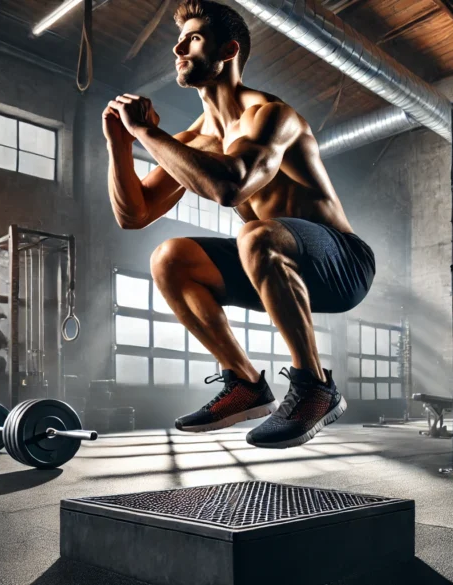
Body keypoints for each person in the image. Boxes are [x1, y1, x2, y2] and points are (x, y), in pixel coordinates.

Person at [102, 0, 375, 448]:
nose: (178, 47)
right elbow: (134, 215)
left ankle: (316, 387)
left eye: (193, 38)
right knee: (169, 258)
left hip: (342, 264)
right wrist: (120, 144)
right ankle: (246, 384)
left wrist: (148, 134)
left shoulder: (271, 116)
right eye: (180, 39)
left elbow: (233, 187)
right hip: (271, 263)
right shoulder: (194, 140)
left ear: (228, 50)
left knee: (256, 232)